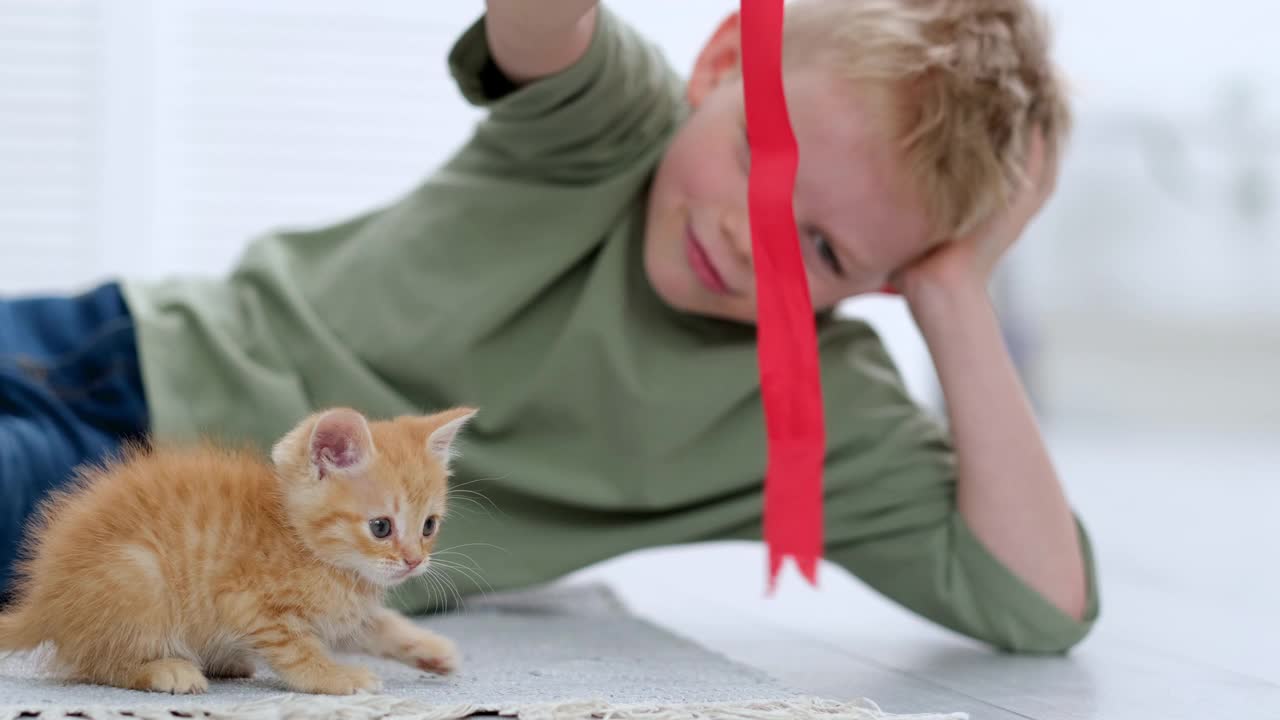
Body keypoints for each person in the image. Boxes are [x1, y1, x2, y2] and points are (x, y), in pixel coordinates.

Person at [0, 0, 1097, 653]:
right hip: (113, 348)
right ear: (719, 67)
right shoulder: (612, 124)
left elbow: (1038, 607)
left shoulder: (818, 411)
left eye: (822, 250)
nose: (753, 237)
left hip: (171, 524)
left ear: (883, 281)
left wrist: (955, 291)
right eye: (763, 154)